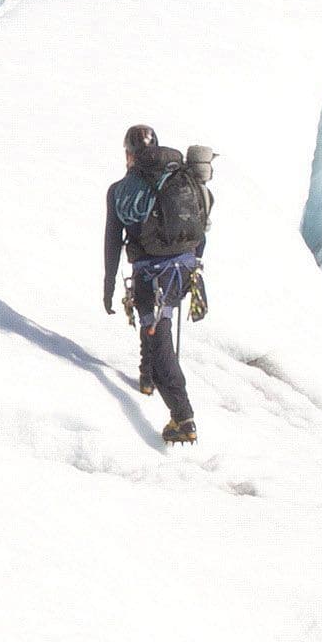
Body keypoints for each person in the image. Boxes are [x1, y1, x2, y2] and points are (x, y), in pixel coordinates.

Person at [103, 125, 214, 443]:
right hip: (183, 273)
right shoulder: (181, 179)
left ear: (129, 154)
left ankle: (182, 418)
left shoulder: (120, 191)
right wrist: (193, 258)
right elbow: (202, 221)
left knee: (157, 334)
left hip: (149, 279)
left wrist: (108, 285)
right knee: (154, 326)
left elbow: (112, 242)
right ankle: (146, 379)